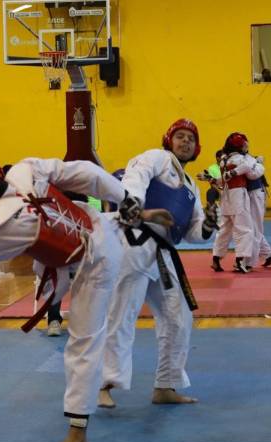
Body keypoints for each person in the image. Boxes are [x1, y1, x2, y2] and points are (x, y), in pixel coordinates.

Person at [0, 149, 170, 442]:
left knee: (83, 344)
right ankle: (129, 218)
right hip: (97, 228)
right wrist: (125, 199)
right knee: (79, 233)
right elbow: (86, 172)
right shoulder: (27, 169)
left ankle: (77, 435)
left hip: (94, 264)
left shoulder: (1, 225)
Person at [100, 118, 219, 409]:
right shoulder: (157, 158)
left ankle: (165, 384)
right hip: (135, 242)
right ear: (169, 140)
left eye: (191, 138)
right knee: (122, 313)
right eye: (180, 136)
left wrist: (208, 226)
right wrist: (134, 204)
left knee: (178, 316)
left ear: (197, 148)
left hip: (164, 254)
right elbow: (136, 176)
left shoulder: (192, 187)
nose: (185, 142)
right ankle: (103, 383)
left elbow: (191, 232)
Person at [211, 132, 263, 273]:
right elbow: (248, 168)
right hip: (238, 194)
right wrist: (257, 162)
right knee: (244, 229)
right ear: (239, 146)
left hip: (226, 196)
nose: (247, 147)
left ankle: (216, 258)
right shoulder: (241, 158)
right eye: (245, 145)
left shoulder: (223, 160)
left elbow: (222, 179)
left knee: (224, 229)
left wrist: (214, 178)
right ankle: (241, 261)